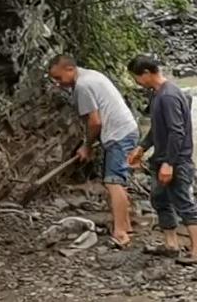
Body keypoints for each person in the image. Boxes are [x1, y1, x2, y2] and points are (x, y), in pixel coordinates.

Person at [47, 54, 138, 248]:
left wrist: (87, 146)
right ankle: (126, 225)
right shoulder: (92, 75)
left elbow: (95, 121)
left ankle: (121, 233)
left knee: (113, 182)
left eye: (58, 78)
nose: (57, 84)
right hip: (124, 130)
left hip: (119, 135)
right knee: (116, 181)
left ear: (70, 69)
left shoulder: (82, 86)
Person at [123, 55, 197, 264]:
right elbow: (158, 128)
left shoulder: (168, 96)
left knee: (183, 202)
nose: (137, 83)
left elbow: (176, 132)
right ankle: (171, 244)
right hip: (161, 159)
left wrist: (169, 163)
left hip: (176, 161)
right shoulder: (158, 94)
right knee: (159, 200)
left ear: (147, 74)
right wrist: (142, 147)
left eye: (136, 78)